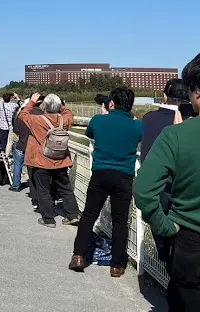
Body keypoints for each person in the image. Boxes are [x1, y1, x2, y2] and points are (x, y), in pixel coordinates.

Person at [134, 51, 200, 311]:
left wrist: (165, 226)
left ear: (198, 93)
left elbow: (144, 190)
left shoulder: (175, 136)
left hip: (194, 245)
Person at [69, 87, 142, 277]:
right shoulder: (137, 125)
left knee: (89, 215)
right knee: (120, 222)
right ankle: (117, 265)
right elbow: (140, 137)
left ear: (112, 103)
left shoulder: (99, 120)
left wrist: (104, 114)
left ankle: (78, 255)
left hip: (100, 174)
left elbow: (90, 134)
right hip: (124, 177)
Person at [138, 79, 190, 271]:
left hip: (157, 190)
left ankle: (167, 266)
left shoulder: (149, 119)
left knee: (164, 243)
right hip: (184, 192)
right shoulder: (194, 122)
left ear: (165, 95)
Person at [18, 93, 80, 228]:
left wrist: (32, 102)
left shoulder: (37, 120)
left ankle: (48, 219)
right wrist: (61, 106)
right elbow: (69, 112)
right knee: (66, 189)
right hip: (61, 160)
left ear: (44, 106)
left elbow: (22, 115)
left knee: (43, 189)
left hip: (42, 160)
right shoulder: (65, 120)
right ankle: (73, 215)